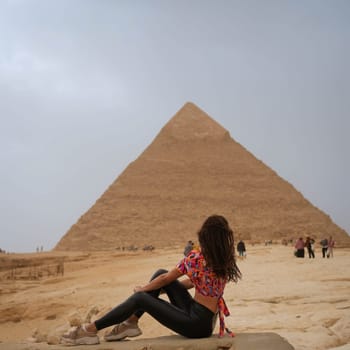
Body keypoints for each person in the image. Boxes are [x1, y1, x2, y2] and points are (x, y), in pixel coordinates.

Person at [61, 215, 242, 345]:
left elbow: (166, 279)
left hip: (195, 324)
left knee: (142, 296)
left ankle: (91, 330)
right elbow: (191, 283)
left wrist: (144, 290)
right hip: (207, 320)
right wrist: (159, 290)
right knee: (158, 274)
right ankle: (131, 323)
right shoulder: (224, 261)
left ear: (205, 237)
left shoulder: (196, 259)